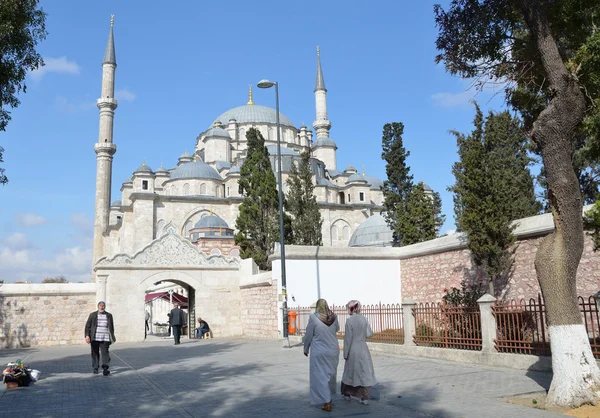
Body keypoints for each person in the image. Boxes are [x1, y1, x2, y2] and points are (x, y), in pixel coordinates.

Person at [303, 299, 340, 412]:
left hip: (319, 351)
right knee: (329, 375)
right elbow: (337, 329)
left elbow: (309, 334)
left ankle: (327, 401)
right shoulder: (334, 317)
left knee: (320, 376)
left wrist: (306, 348)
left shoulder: (314, 318)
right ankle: (328, 397)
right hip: (333, 350)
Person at [341, 300, 377, 405]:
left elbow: (348, 339)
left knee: (350, 372)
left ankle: (347, 394)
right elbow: (369, 334)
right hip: (363, 348)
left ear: (351, 308)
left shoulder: (349, 321)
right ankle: (364, 397)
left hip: (353, 349)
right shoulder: (364, 319)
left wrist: (345, 353)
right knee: (364, 372)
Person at [84, 301, 116, 376]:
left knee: (105, 353)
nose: (102, 307)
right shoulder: (92, 315)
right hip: (94, 338)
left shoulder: (109, 315)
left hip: (105, 338)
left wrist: (112, 336)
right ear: (98, 306)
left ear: (104, 307)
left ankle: (105, 368)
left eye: (103, 306)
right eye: (100, 306)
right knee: (95, 353)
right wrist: (87, 335)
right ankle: (95, 368)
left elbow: (111, 327)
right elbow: (87, 326)